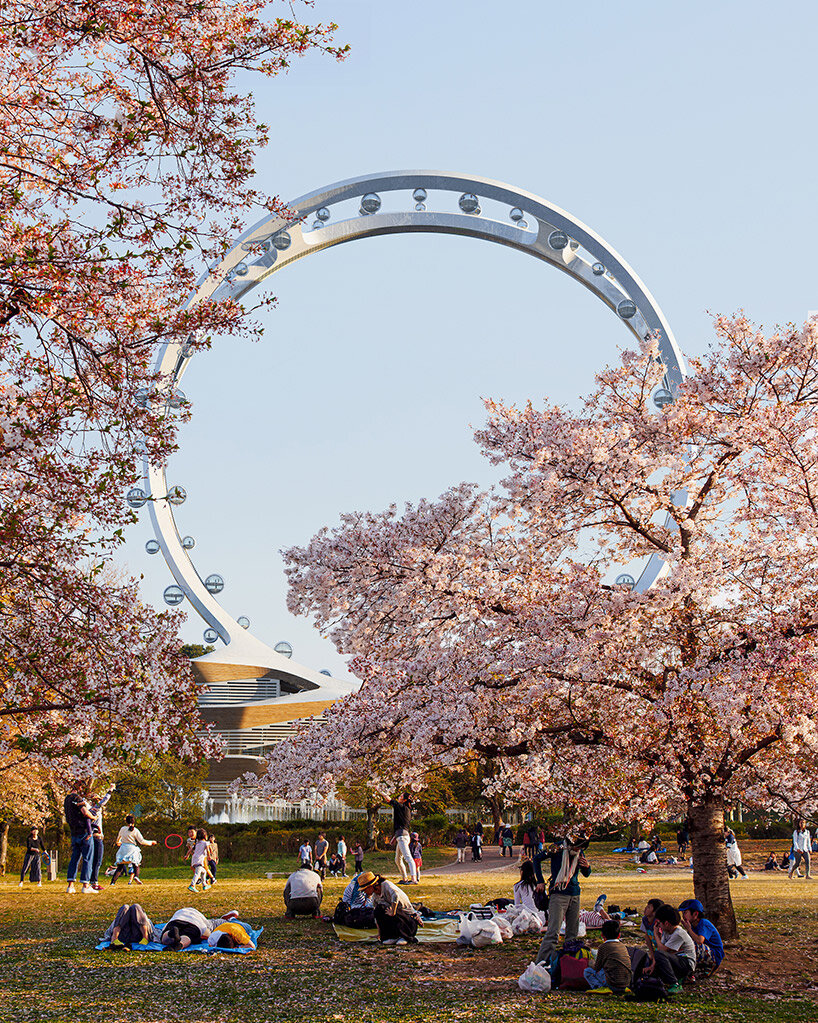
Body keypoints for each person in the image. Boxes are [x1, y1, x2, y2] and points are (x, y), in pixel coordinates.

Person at [533, 835, 592, 964]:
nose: (578, 850)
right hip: (559, 893)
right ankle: (541, 963)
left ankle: (569, 963)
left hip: (574, 893)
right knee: (553, 932)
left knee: (572, 933)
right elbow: (537, 859)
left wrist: (587, 867)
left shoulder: (579, 853)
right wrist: (540, 881)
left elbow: (586, 874)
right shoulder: (558, 848)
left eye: (581, 848)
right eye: (577, 847)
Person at [358, 871, 422, 945]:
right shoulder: (375, 897)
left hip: (408, 922)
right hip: (396, 921)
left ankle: (405, 937)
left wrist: (393, 912)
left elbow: (395, 895)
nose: (364, 892)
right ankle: (392, 937)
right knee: (379, 909)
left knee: (384, 908)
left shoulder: (386, 885)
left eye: (365, 889)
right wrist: (379, 934)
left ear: (372, 886)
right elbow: (377, 916)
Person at [64, 780, 97, 895]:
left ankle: (70, 885)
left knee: (74, 858)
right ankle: (85, 885)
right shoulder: (77, 799)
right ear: (80, 789)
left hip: (74, 832)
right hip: (84, 832)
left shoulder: (67, 799)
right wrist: (93, 817)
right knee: (87, 858)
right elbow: (84, 812)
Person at [583, 919, 632, 992]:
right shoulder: (623, 946)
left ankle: (599, 987)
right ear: (619, 935)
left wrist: (591, 963)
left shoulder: (603, 947)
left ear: (602, 935)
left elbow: (597, 968)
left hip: (612, 984)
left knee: (587, 971)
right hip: (626, 983)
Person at [679, 898, 724, 976]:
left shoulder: (703, 923)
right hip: (704, 955)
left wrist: (689, 929)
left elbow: (700, 941)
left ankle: (710, 966)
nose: (683, 916)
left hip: (714, 955)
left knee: (692, 946)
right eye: (682, 913)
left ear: (695, 914)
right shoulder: (692, 925)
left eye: (685, 913)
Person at [160, 907, 241, 949]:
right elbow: (206, 934)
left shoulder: (180, 912)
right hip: (195, 923)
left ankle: (170, 934)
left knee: (165, 936)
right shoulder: (205, 923)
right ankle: (181, 944)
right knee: (189, 936)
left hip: (177, 919)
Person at [110, 814, 157, 886]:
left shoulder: (122, 829)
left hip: (123, 849)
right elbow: (142, 841)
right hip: (131, 848)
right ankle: (136, 876)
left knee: (120, 867)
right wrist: (151, 842)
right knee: (136, 863)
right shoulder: (135, 830)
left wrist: (118, 842)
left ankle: (112, 882)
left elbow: (118, 839)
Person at [88, 786, 114, 891]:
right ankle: (94, 882)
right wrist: (110, 790)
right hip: (97, 837)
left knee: (92, 860)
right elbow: (105, 799)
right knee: (97, 860)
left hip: (92, 837)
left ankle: (90, 881)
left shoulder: (89, 810)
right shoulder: (96, 808)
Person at [388, 793, 418, 883]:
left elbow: (389, 800)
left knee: (408, 858)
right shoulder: (406, 810)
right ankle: (405, 879)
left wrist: (380, 791)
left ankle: (414, 879)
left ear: (404, 800)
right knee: (397, 859)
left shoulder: (401, 807)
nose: (399, 797)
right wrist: (394, 837)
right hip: (402, 836)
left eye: (401, 796)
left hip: (402, 838)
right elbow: (401, 826)